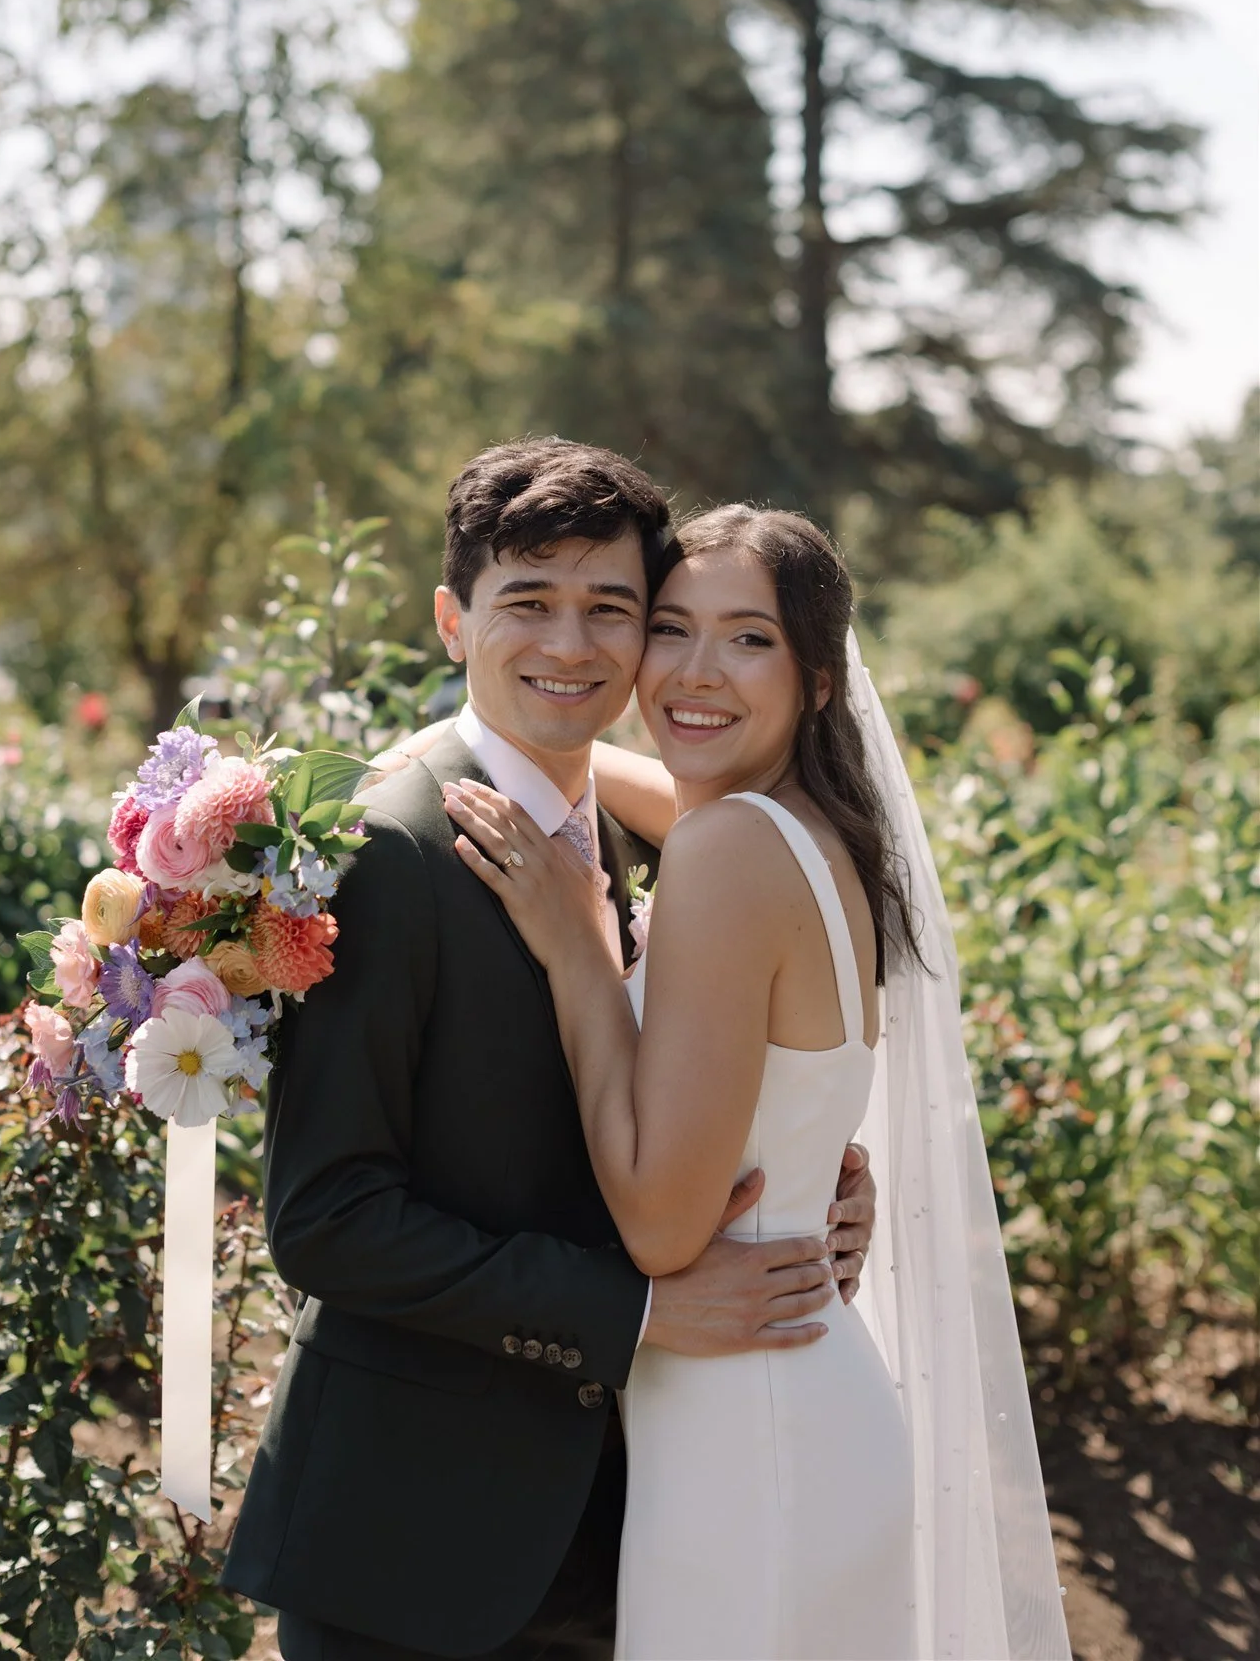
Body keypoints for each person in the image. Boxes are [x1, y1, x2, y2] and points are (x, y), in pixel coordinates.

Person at [222, 445, 878, 1661]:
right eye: (528, 601)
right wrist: (636, 1309)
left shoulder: (655, 831)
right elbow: (328, 1217)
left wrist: (807, 1171)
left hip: (633, 1522)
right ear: (452, 620)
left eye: (612, 610)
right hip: (412, 1540)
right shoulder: (390, 852)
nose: (570, 645)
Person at [442, 505, 1071, 1661]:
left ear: (817, 678)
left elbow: (659, 1224)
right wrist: (457, 744)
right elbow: (638, 779)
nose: (693, 669)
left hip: (749, 1438)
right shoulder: (808, 830)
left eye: (747, 638)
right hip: (793, 1399)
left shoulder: (727, 850)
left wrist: (579, 952)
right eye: (669, 627)